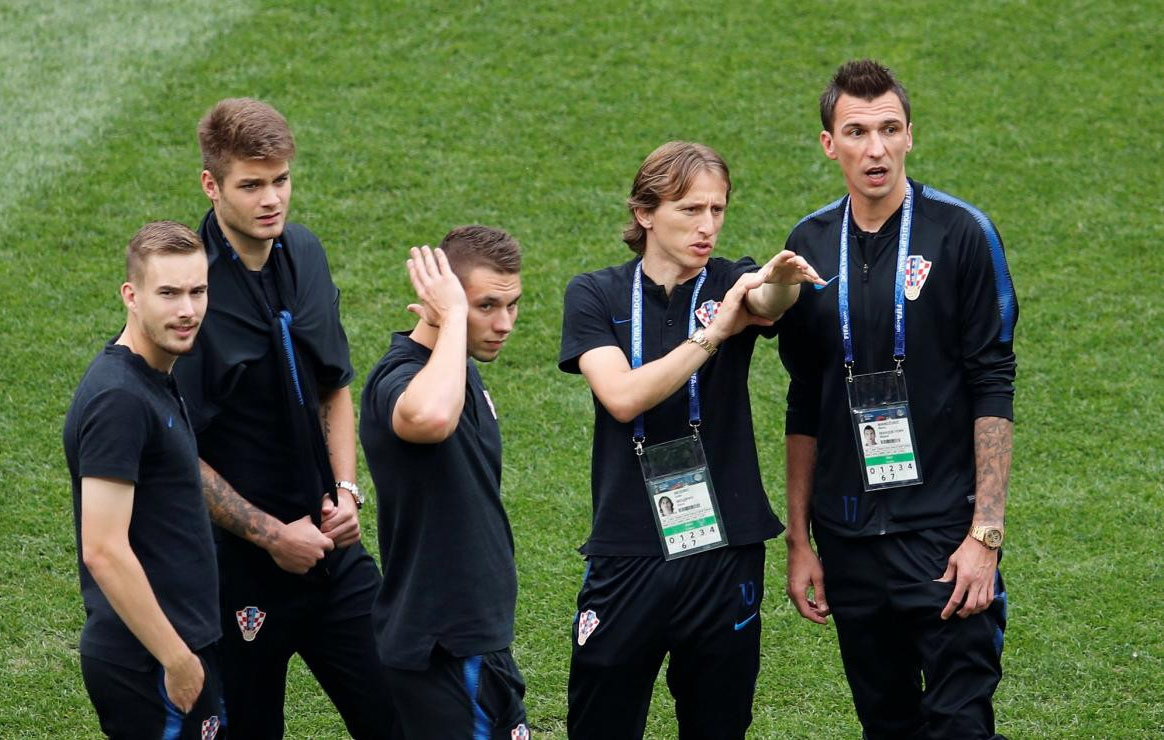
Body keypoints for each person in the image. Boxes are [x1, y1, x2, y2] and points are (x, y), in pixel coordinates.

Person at [778, 59, 1017, 739]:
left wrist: (986, 536)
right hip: (849, 540)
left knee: (959, 724)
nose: (874, 148)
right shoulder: (809, 245)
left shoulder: (961, 233)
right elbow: (804, 397)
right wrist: (801, 541)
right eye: (856, 132)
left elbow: (992, 384)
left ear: (911, 135)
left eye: (889, 129)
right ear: (830, 144)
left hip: (944, 535)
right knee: (885, 724)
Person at [558, 140, 823, 739]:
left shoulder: (731, 281)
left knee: (718, 726)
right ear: (646, 213)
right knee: (600, 723)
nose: (708, 227)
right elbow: (622, 397)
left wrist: (781, 281)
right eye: (690, 211)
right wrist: (713, 336)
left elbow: (765, 299)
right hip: (628, 550)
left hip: (725, 548)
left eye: (718, 210)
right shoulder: (594, 294)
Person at [172, 98, 392, 738]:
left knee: (402, 714)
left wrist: (348, 491)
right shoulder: (186, 295)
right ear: (211, 185)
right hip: (236, 574)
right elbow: (174, 448)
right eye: (252, 185)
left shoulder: (305, 252)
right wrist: (271, 535)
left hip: (335, 556)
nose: (272, 199)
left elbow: (335, 387)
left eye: (281, 180)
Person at [360, 226, 531, 739]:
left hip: (474, 640)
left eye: (513, 305)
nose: (504, 324)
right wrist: (454, 317)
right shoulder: (397, 378)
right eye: (486, 306)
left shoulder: (459, 370)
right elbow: (431, 418)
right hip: (446, 646)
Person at [64, 221, 225, 738]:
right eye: (169, 293)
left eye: (198, 291)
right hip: (149, 661)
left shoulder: (154, 374)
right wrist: (177, 661)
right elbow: (103, 550)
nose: (187, 310)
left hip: (174, 648)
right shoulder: (120, 401)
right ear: (131, 296)